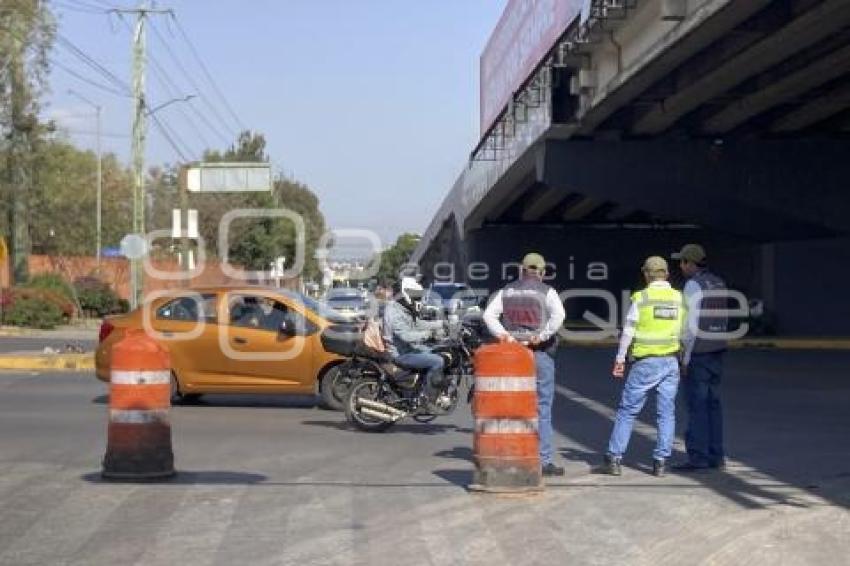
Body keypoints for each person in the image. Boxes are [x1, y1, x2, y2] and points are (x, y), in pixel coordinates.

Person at [595, 256, 686, 477]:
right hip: (671, 361)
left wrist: (620, 358)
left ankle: (614, 459)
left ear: (646, 274)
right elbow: (687, 333)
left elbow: (628, 331)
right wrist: (685, 361)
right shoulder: (678, 298)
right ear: (667, 274)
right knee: (666, 413)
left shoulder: (642, 298)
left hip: (646, 362)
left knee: (627, 411)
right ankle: (660, 462)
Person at [483, 252, 566, 477]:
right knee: (543, 406)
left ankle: (514, 454)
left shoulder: (506, 291)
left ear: (521, 270)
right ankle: (544, 460)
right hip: (539, 353)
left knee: (513, 405)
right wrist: (542, 335)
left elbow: (489, 316)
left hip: (513, 354)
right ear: (541, 271)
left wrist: (506, 336)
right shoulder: (548, 292)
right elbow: (559, 316)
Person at [671, 244, 729, 471]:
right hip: (717, 350)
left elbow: (690, 326)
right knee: (713, 406)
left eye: (683, 262)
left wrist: (684, 359)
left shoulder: (693, 285)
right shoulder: (718, 282)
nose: (681, 266)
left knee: (697, 407)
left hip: (699, 353)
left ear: (691, 263)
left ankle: (699, 458)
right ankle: (717, 456)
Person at [382, 276, 446, 408]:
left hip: (407, 349)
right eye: (415, 295)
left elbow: (417, 324)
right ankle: (427, 399)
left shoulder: (401, 308)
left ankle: (419, 388)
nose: (418, 298)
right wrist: (430, 335)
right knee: (437, 361)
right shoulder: (394, 312)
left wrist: (441, 324)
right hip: (401, 354)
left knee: (437, 351)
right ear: (406, 293)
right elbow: (406, 336)